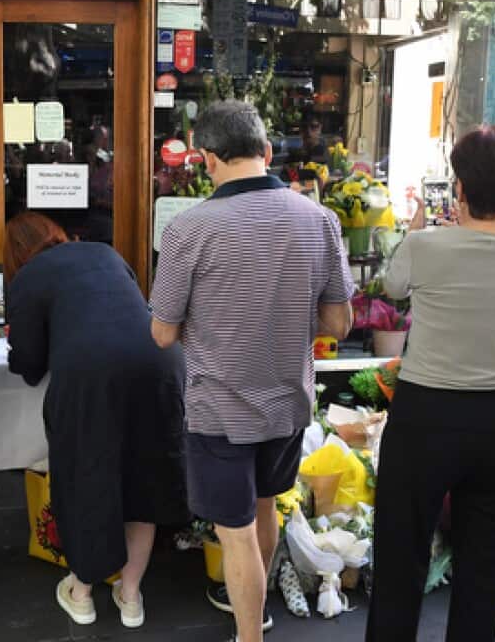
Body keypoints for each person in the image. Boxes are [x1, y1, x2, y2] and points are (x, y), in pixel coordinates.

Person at [149, 101, 355, 642]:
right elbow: (339, 321)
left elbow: (163, 333)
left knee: (234, 533)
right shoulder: (320, 220)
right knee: (265, 508)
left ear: (207, 160)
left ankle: (249, 635)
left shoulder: (188, 229)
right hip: (288, 401)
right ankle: (254, 613)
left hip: (220, 408)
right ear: (266, 152)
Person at [368, 125, 495, 641]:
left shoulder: (425, 246)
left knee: (402, 551)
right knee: (486, 565)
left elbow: (392, 286)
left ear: (460, 187)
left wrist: (420, 228)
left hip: (426, 416)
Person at [5, 211, 187, 629]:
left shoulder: (28, 278)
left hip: (91, 376)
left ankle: (82, 593)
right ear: (58, 235)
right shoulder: (104, 254)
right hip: (159, 362)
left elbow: (29, 365)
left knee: (86, 475)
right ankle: (131, 596)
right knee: (146, 478)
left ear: (15, 253)